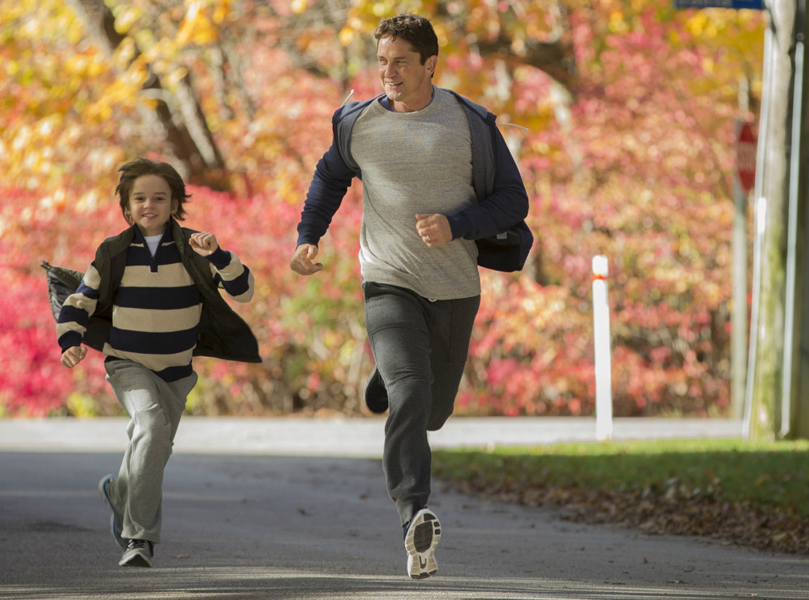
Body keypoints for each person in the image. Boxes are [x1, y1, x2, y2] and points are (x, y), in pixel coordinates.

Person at [290, 14, 530, 579]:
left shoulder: (470, 123)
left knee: (433, 410)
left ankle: (388, 377)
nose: (388, 72)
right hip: (387, 279)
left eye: (401, 61)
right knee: (411, 392)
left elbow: (513, 200)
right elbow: (328, 178)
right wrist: (308, 236)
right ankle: (412, 515)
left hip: (453, 286)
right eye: (381, 61)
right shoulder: (358, 124)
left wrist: (459, 224)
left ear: (429, 64)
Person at [57, 157, 259, 568]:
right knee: (149, 427)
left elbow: (244, 291)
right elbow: (79, 301)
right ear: (128, 207)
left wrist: (218, 254)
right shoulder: (114, 252)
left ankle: (121, 493)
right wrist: (70, 341)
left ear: (174, 204)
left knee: (154, 448)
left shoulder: (193, 248)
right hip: (128, 362)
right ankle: (138, 539)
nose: (150, 205)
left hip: (177, 372)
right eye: (140, 198)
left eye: (160, 198)